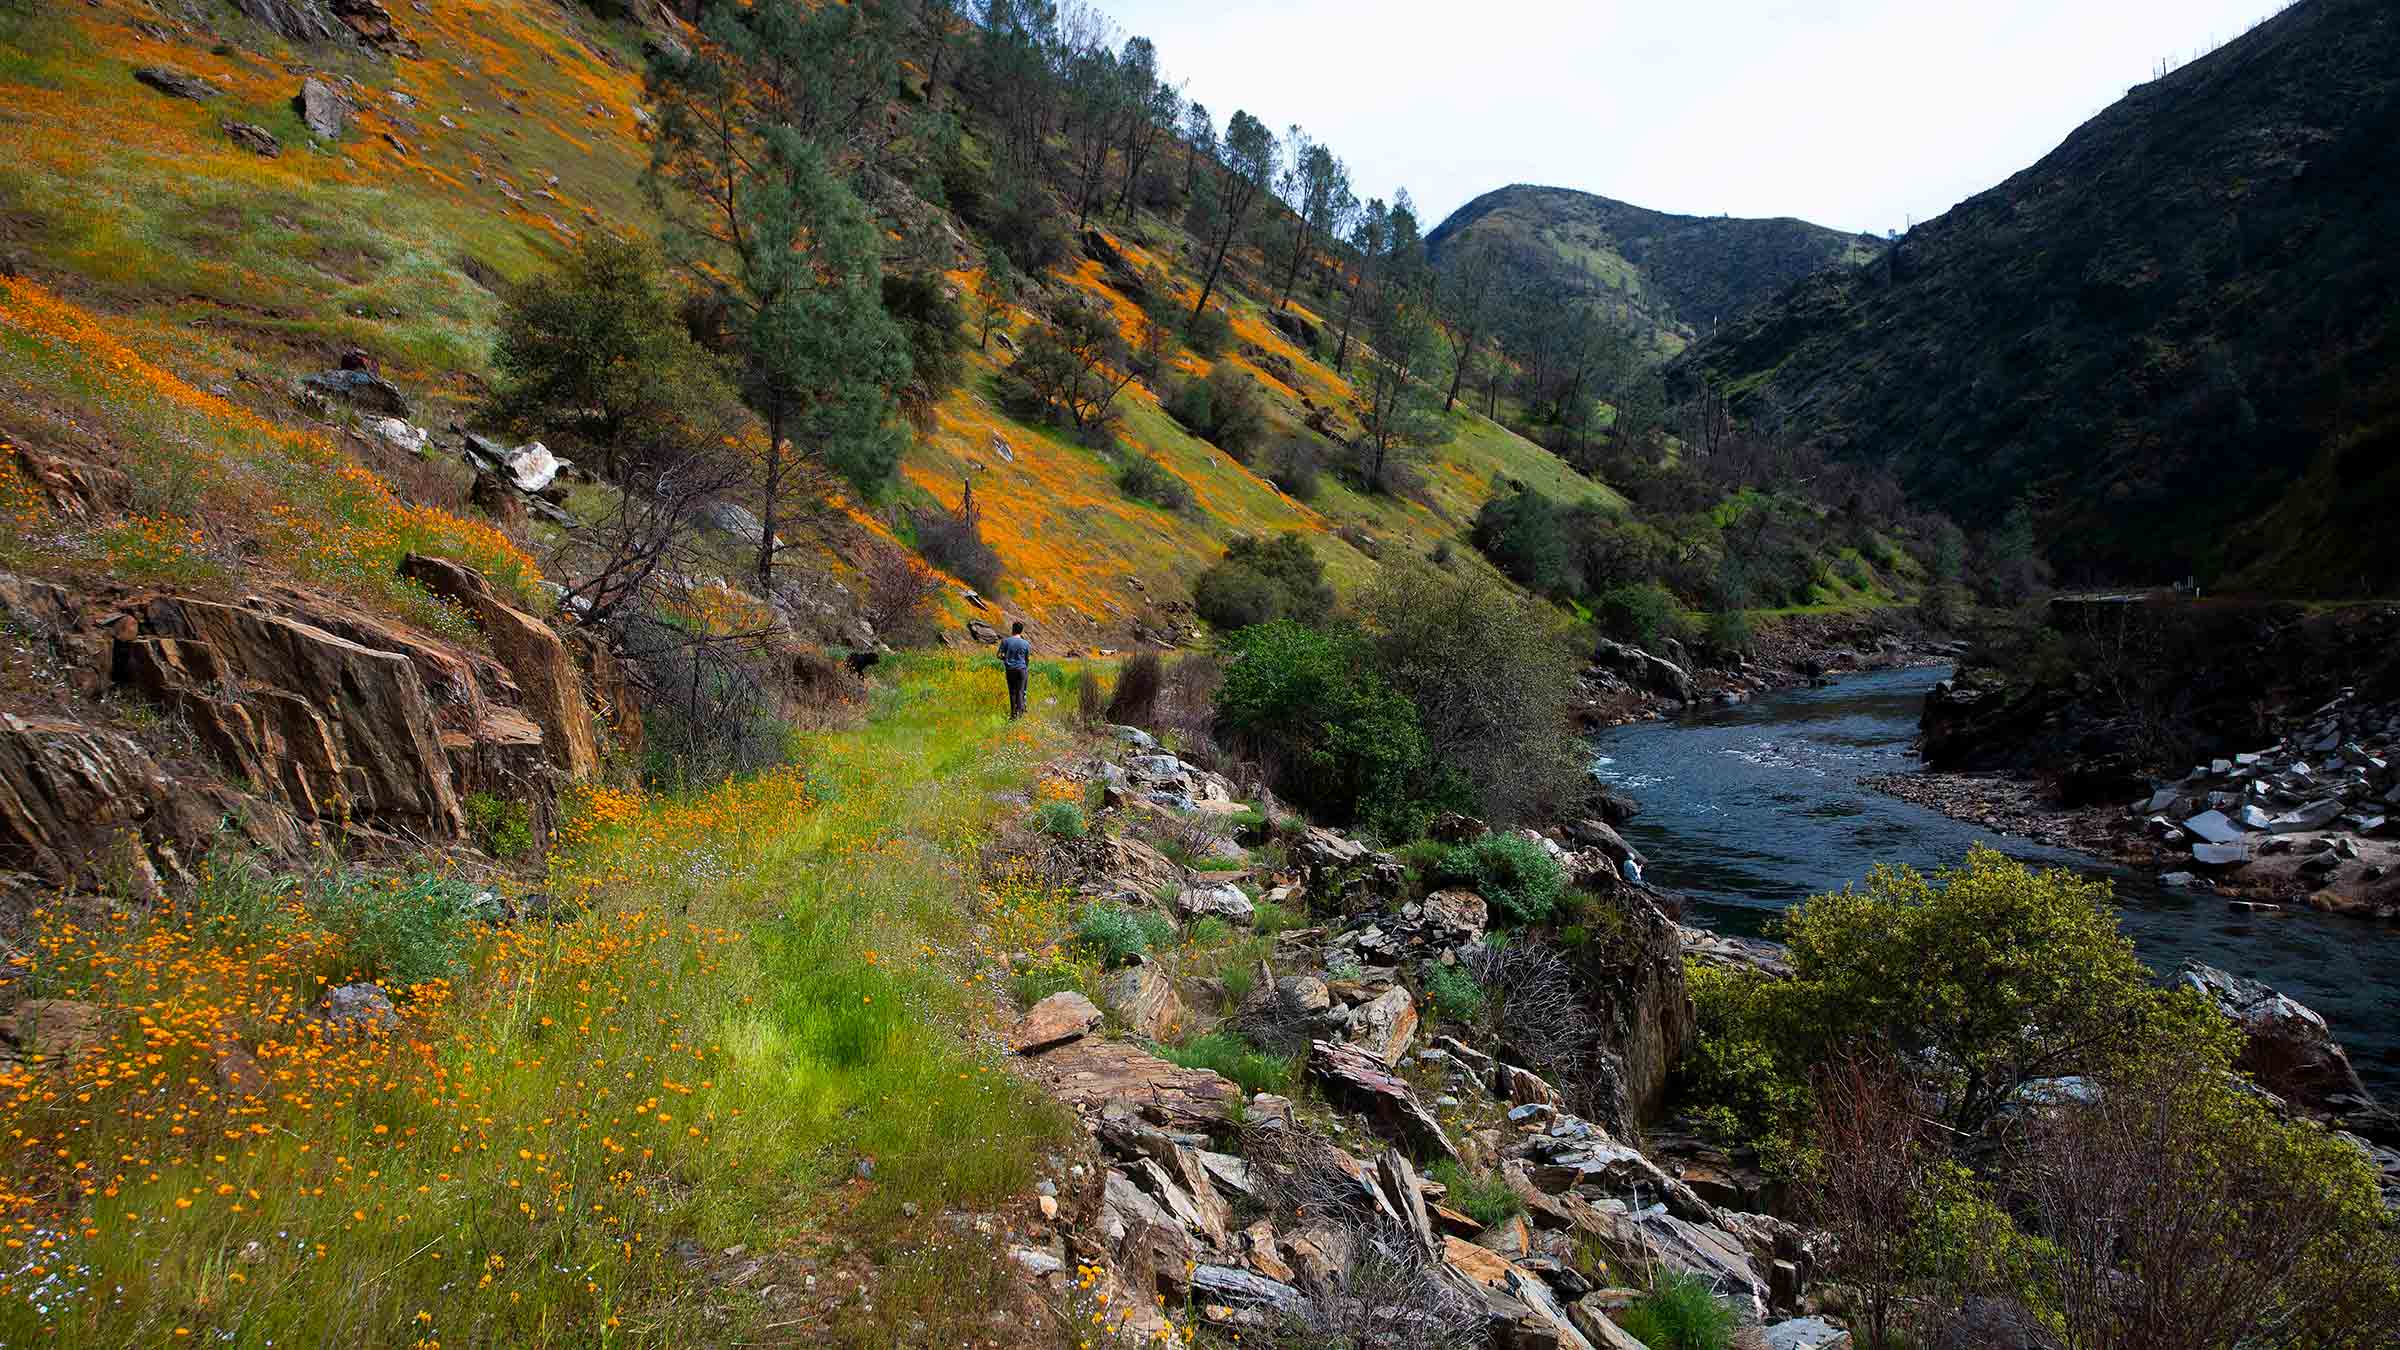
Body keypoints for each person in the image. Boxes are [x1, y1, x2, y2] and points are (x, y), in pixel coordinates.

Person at [997, 621, 1031, 719]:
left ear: (1012, 629)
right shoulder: (1026, 643)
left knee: (1012, 692)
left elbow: (999, 655)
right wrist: (1025, 667)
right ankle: (1020, 714)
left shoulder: (1006, 641)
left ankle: (1013, 714)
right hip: (1022, 669)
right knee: (1020, 691)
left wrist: (1006, 658)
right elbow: (1027, 658)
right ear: (1021, 631)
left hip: (1010, 669)